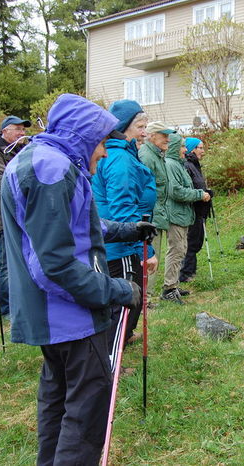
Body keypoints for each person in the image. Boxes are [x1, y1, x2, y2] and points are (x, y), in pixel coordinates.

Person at [0, 94, 156, 465]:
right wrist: (116, 289)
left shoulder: (47, 161)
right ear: (84, 135)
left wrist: (128, 229)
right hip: (70, 318)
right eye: (101, 142)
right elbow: (54, 264)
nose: (103, 153)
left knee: (58, 401)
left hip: (54, 317)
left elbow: (76, 226)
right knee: (86, 414)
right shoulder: (51, 171)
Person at [92, 99, 157, 350]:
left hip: (117, 240)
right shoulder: (120, 159)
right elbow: (123, 208)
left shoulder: (120, 153)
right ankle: (111, 353)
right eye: (140, 126)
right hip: (121, 245)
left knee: (129, 296)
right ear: (123, 127)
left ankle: (123, 337)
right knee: (126, 298)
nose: (144, 132)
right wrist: (146, 251)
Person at [0, 115, 31, 319]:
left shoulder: (23, 151)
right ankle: (3, 308)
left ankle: (19, 302)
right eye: (17, 129)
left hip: (23, 217)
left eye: (23, 129)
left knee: (23, 262)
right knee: (4, 264)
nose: (22, 133)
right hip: (4, 219)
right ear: (4, 132)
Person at [163, 134, 211, 302]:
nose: (185, 150)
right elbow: (176, 191)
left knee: (181, 249)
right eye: (182, 147)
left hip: (183, 214)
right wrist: (199, 194)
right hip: (175, 214)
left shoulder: (178, 164)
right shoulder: (170, 165)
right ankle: (169, 288)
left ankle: (173, 285)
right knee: (176, 251)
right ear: (175, 148)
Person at [138, 121, 176, 300]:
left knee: (155, 256)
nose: (167, 139)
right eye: (164, 135)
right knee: (151, 257)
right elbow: (143, 190)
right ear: (152, 136)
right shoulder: (147, 156)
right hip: (150, 215)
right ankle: (146, 298)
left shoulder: (158, 155)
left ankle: (147, 296)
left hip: (159, 214)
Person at [179, 137, 211, 283]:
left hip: (200, 209)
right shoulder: (187, 165)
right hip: (192, 209)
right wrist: (201, 194)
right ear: (192, 149)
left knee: (196, 241)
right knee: (192, 241)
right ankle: (185, 273)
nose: (203, 151)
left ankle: (190, 270)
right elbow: (188, 188)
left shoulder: (194, 164)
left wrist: (207, 191)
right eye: (200, 148)